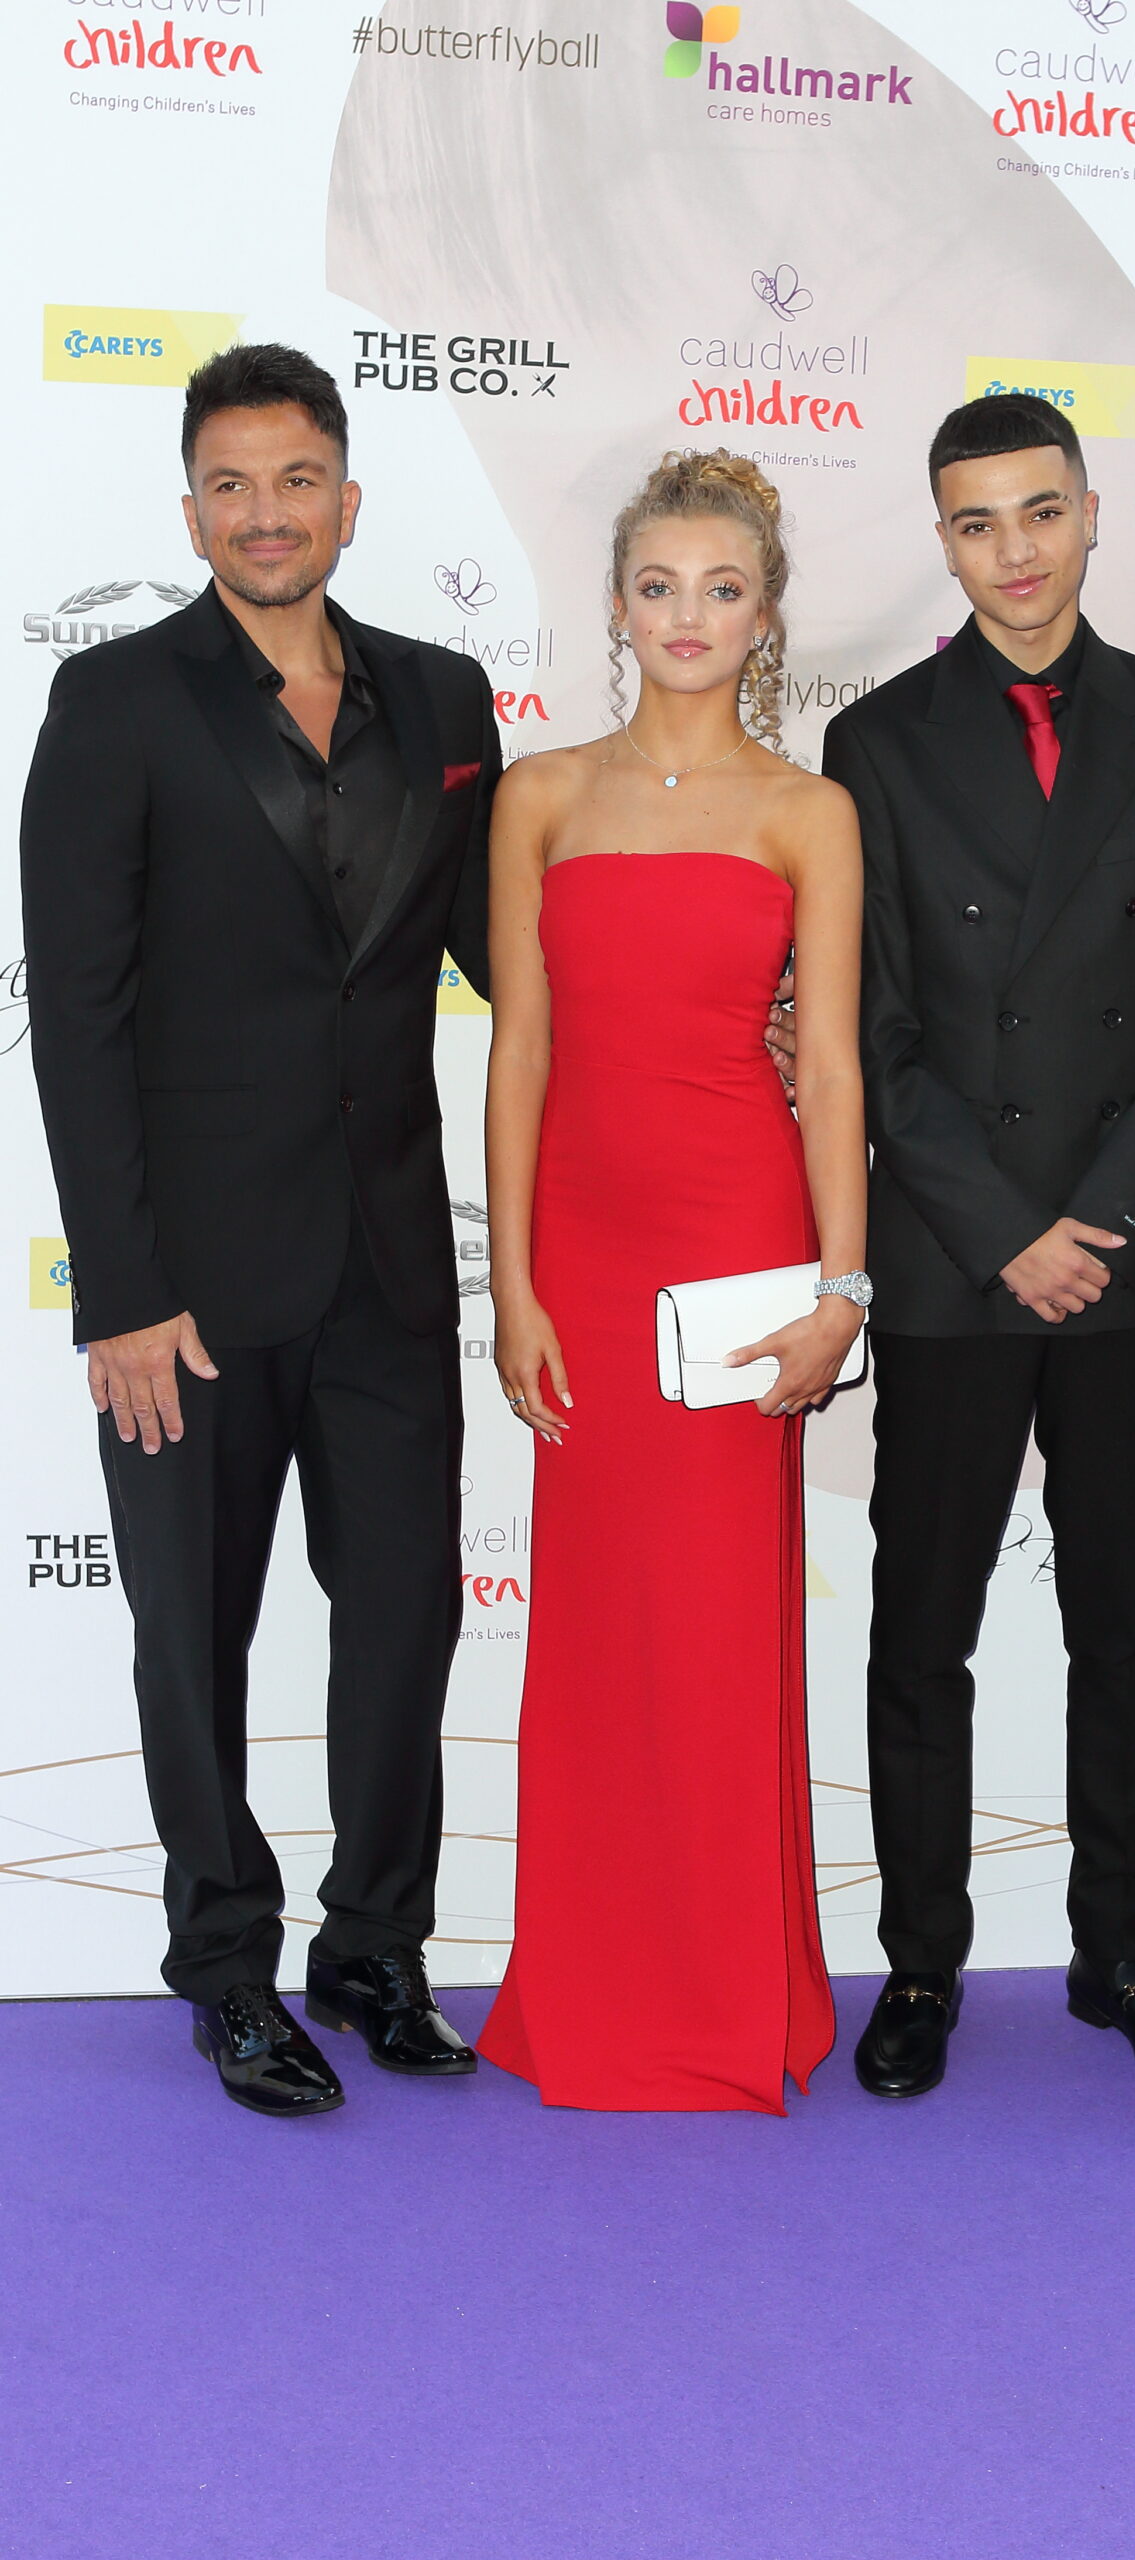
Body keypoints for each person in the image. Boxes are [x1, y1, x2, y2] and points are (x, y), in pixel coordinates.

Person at [20, 344, 500, 2115]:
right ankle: (225, 1965)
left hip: (386, 1260)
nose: (266, 512)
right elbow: (77, 1019)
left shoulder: (447, 702)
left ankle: (375, 1944)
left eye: (296, 479)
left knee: (401, 1622)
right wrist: (122, 1293)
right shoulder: (120, 701)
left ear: (348, 498)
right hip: (192, 1290)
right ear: (192, 509)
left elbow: (501, 960)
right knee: (191, 1632)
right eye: (231, 484)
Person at [819, 394, 1135, 2100]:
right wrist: (1009, 1235)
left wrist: (1110, 1219)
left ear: (1089, 515)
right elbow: (876, 1033)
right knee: (920, 1631)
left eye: (1040, 512)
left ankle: (1118, 1953)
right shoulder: (876, 741)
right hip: (952, 1259)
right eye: (977, 522)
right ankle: (919, 1969)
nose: (1014, 550)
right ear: (941, 539)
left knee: (1120, 1624)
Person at [477, 450, 865, 2114]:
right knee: (594, 1628)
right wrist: (513, 1284)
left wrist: (842, 1289)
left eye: (722, 588)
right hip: (584, 1244)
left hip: (734, 1251)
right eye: (659, 587)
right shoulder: (538, 794)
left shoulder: (808, 811)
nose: (689, 617)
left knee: (715, 1628)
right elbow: (518, 1054)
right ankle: (588, 1989)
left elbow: (833, 1067)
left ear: (764, 613)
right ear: (620, 606)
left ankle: (722, 1994)